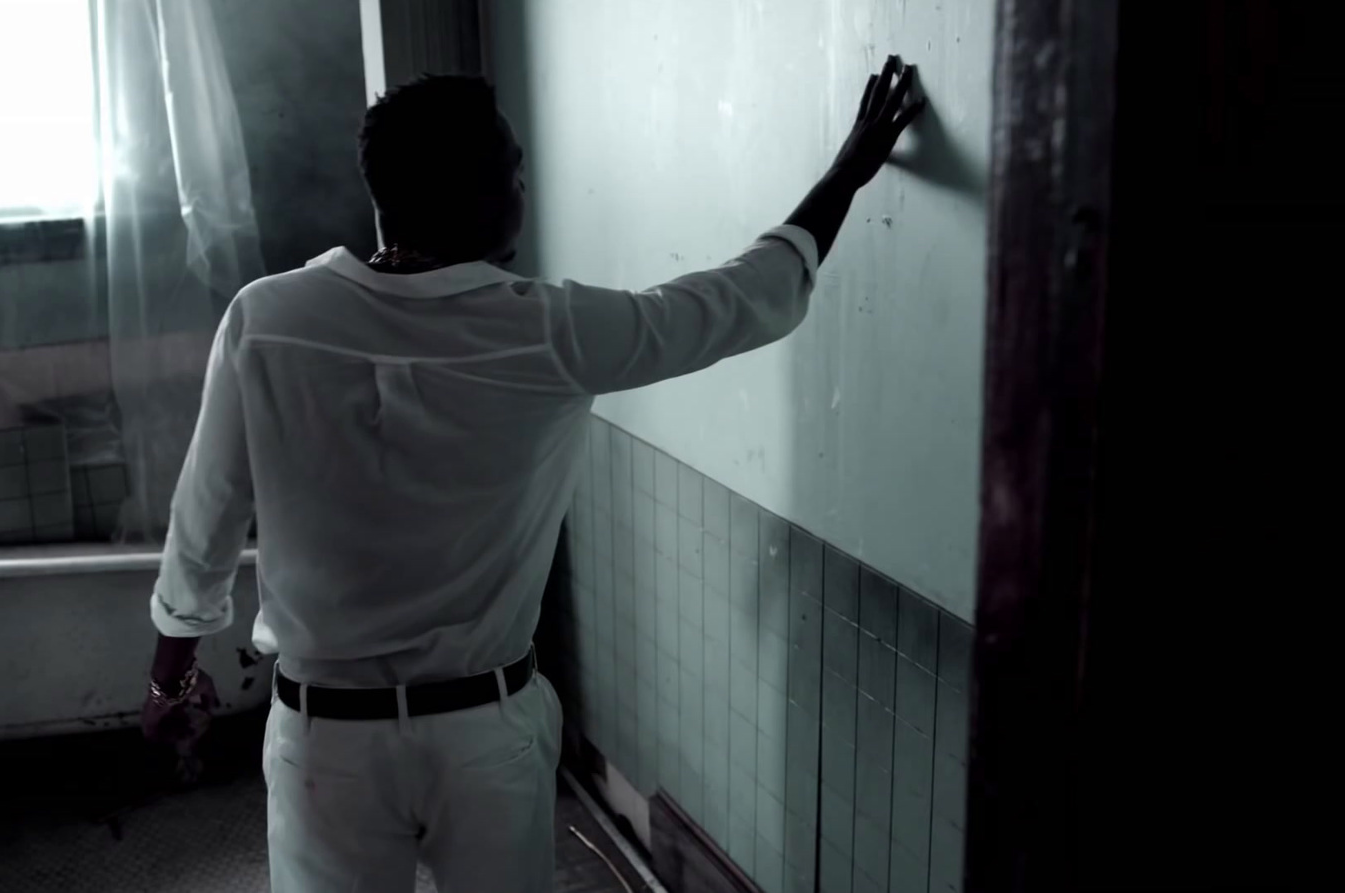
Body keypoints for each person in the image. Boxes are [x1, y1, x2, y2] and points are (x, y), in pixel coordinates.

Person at [140, 55, 923, 893]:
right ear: (481, 196)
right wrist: (847, 173)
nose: (525, 185)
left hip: (323, 741)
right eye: (513, 168)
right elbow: (742, 298)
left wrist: (170, 674)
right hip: (485, 733)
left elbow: (208, 514)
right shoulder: (548, 333)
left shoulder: (266, 319)